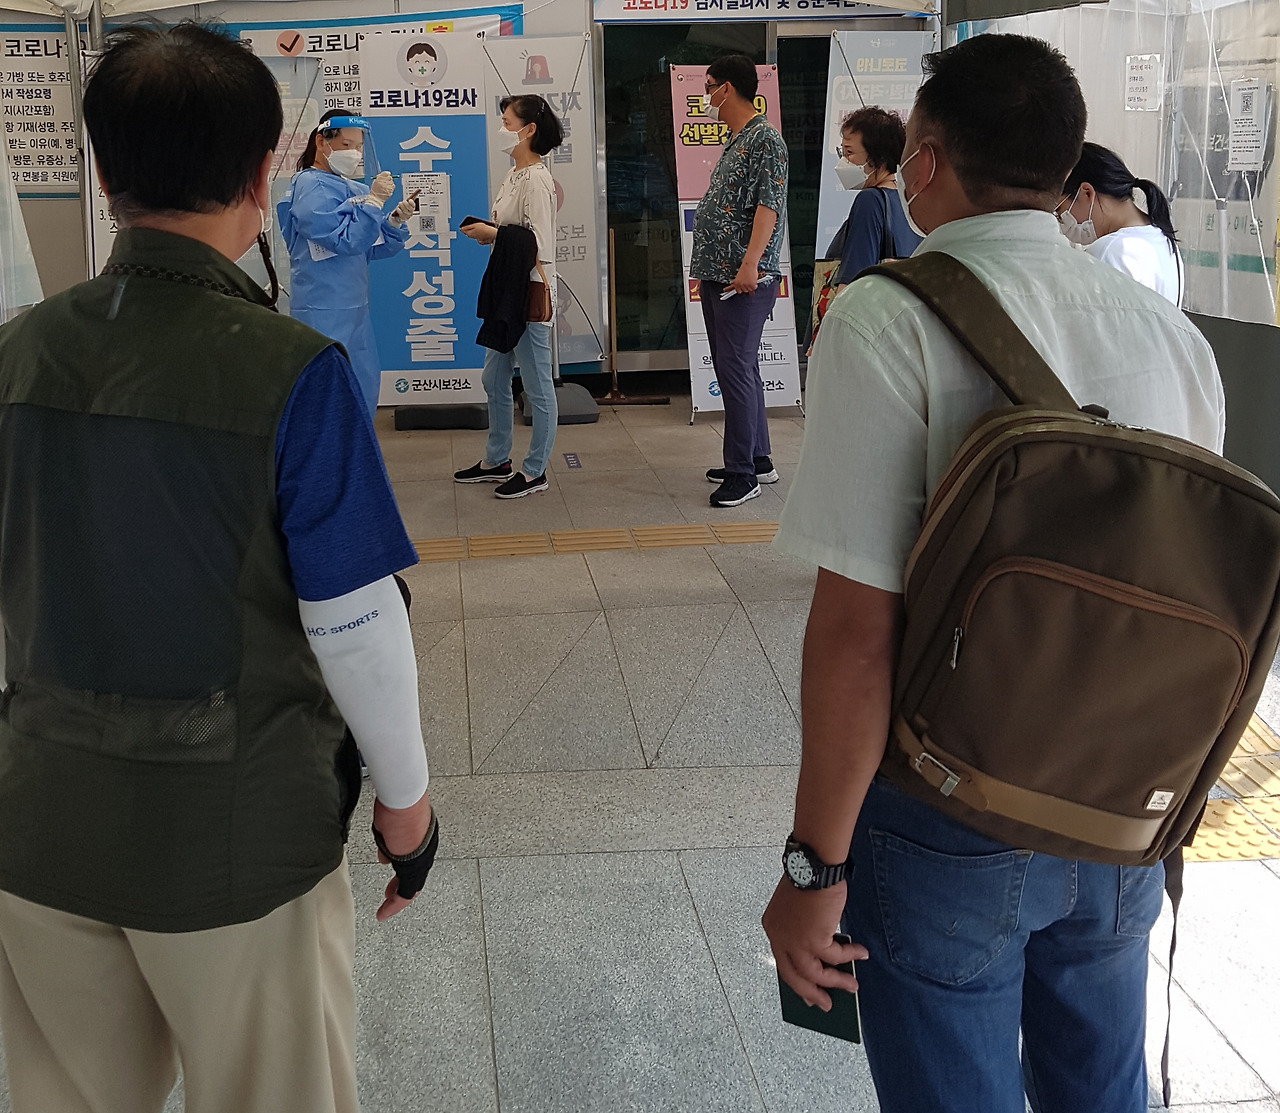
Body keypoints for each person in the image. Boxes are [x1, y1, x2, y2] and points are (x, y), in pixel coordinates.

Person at [763, 33, 1224, 1113]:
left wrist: (812, 868)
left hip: (951, 813)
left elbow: (856, 634)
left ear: (923, 161)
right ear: (1065, 170)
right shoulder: (1171, 338)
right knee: (1100, 1092)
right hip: (1123, 807)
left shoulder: (887, 318)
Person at [0, 24, 437, 1113]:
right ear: (260, 173)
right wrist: (407, 802)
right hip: (236, 843)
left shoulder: (15, 352)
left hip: (40, 829)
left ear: (105, 173)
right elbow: (354, 619)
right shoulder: (291, 371)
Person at [690, 54, 789, 508]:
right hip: (720, 272)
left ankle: (741, 473)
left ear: (726, 88)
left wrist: (750, 264)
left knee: (735, 369)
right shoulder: (739, 138)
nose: (705, 95)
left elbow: (768, 206)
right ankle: (757, 457)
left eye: (708, 86)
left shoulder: (765, 138)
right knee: (741, 368)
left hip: (741, 277)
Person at [457, 94, 563, 500]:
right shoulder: (514, 175)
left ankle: (535, 470)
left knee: (537, 386)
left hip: (528, 292)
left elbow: (538, 244)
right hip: (507, 289)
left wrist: (494, 235)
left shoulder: (536, 178)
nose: (501, 130)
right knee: (493, 377)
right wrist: (491, 232)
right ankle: (497, 458)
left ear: (529, 129)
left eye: (507, 122)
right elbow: (512, 231)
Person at [277, 109, 416, 418]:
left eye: (358, 146)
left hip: (355, 309)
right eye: (345, 145)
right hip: (321, 308)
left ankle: (356, 448)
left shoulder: (353, 188)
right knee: (324, 394)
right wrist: (374, 203)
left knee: (360, 390)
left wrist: (393, 222)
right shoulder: (310, 186)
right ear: (321, 142)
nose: (354, 153)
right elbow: (345, 240)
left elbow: (367, 247)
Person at [1059, 141, 1182, 304]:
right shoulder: (1163, 239)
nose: (1060, 221)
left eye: (1060, 210)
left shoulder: (1108, 252)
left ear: (1087, 193)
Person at [830, 106, 922, 289]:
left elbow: (852, 284)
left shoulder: (870, 201)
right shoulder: (910, 202)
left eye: (849, 153)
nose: (844, 161)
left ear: (878, 157)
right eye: (842, 152)